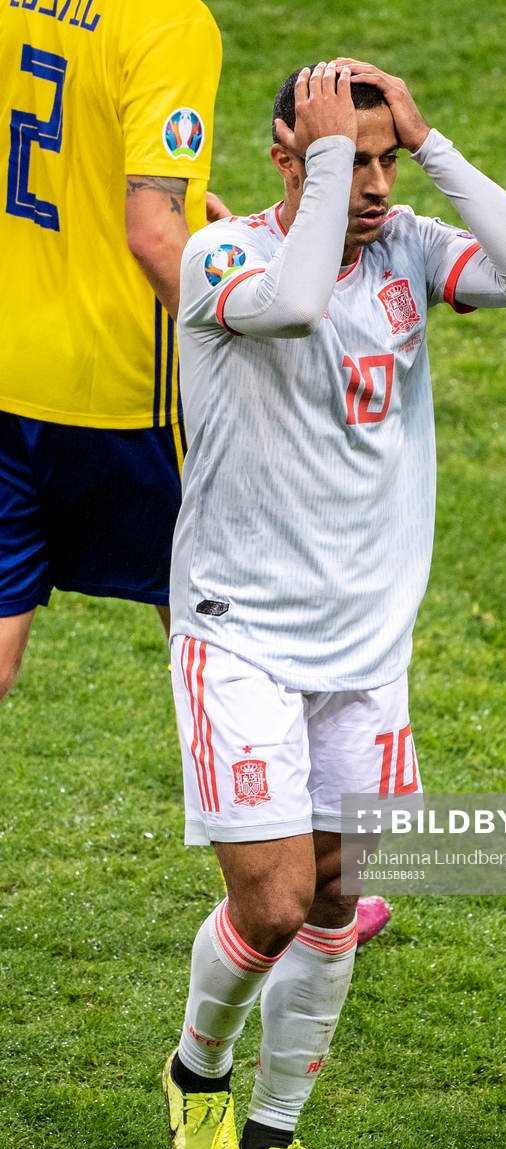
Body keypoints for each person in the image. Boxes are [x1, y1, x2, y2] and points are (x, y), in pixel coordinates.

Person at [163, 58, 506, 1149]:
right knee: (276, 902)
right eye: (357, 157)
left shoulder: (403, 246)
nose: (380, 185)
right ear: (285, 158)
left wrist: (428, 142)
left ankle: (278, 1135)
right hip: (240, 641)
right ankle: (197, 1080)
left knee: (339, 900)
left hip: (365, 654)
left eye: (390, 160)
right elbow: (292, 300)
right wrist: (335, 165)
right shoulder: (221, 259)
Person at [0, 0, 223, 701]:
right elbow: (152, 233)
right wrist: (244, 335)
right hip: (126, 391)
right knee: (217, 648)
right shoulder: (168, 23)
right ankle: (262, 812)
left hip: (9, 365)